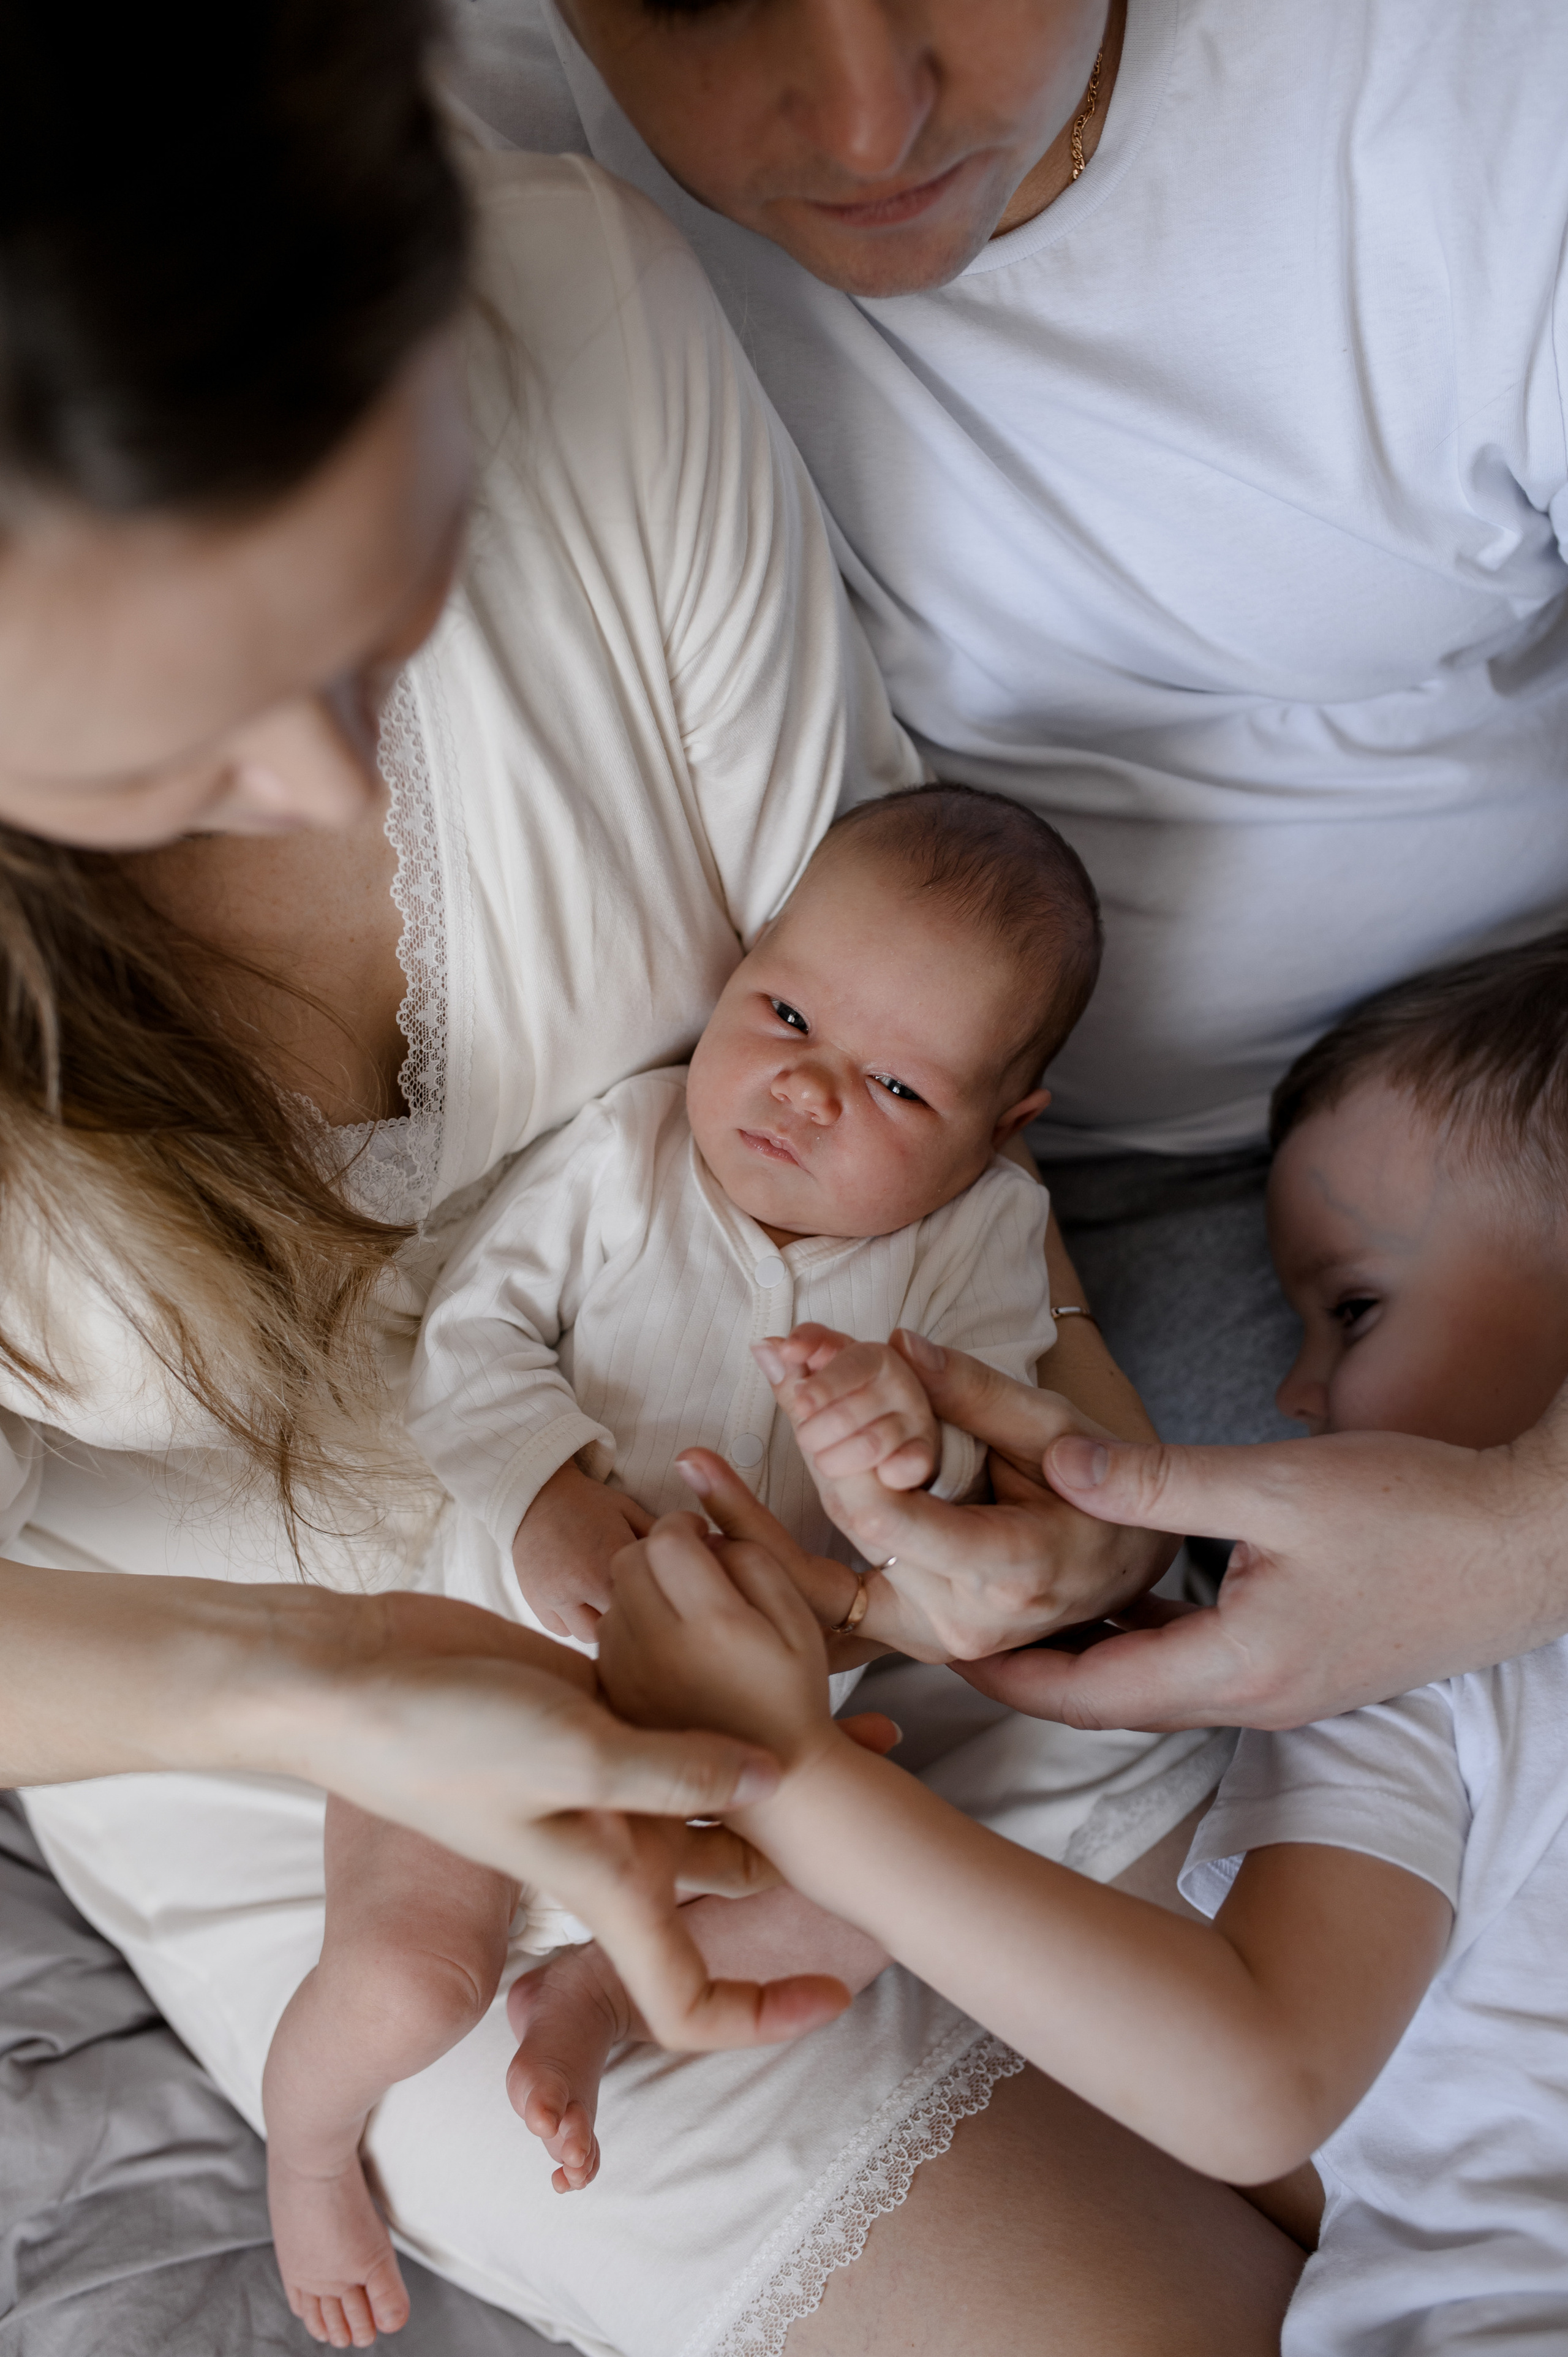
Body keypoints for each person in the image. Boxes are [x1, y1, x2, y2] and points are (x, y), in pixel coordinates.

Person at [0, 6, 1303, 2351]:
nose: (308, 782)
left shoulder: (579, 314)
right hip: (308, 1771)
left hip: (841, 1589)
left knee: (1393, 2166)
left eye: (368, 616)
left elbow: (919, 1096)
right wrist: (329, 1693)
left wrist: (1070, 1517)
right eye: (172, 749)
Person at [450, 0, 1568, 1722]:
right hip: (869, 1232)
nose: (868, 123)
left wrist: (1523, 1536)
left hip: (1451, 1129)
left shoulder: (1478, 96)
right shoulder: (451, 141)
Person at [597, 925, 1568, 2354]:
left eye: (1355, 1305)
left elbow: (1258, 2082)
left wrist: (792, 1779)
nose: (1296, 1390)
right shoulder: (1410, 1656)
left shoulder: (1413, 1654)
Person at [259, 785, 1096, 2313]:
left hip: (748, 1741)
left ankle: (594, 1992)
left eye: (899, 1089)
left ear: (999, 1129)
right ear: (738, 965)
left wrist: (908, 1458)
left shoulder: (975, 1242)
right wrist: (546, 1494)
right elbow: (468, 1341)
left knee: (884, 1910)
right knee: (405, 1980)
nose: (807, 1089)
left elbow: (989, 1438)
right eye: (783, 1012)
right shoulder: (624, 1152)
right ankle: (307, 2153)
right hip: (485, 1670)